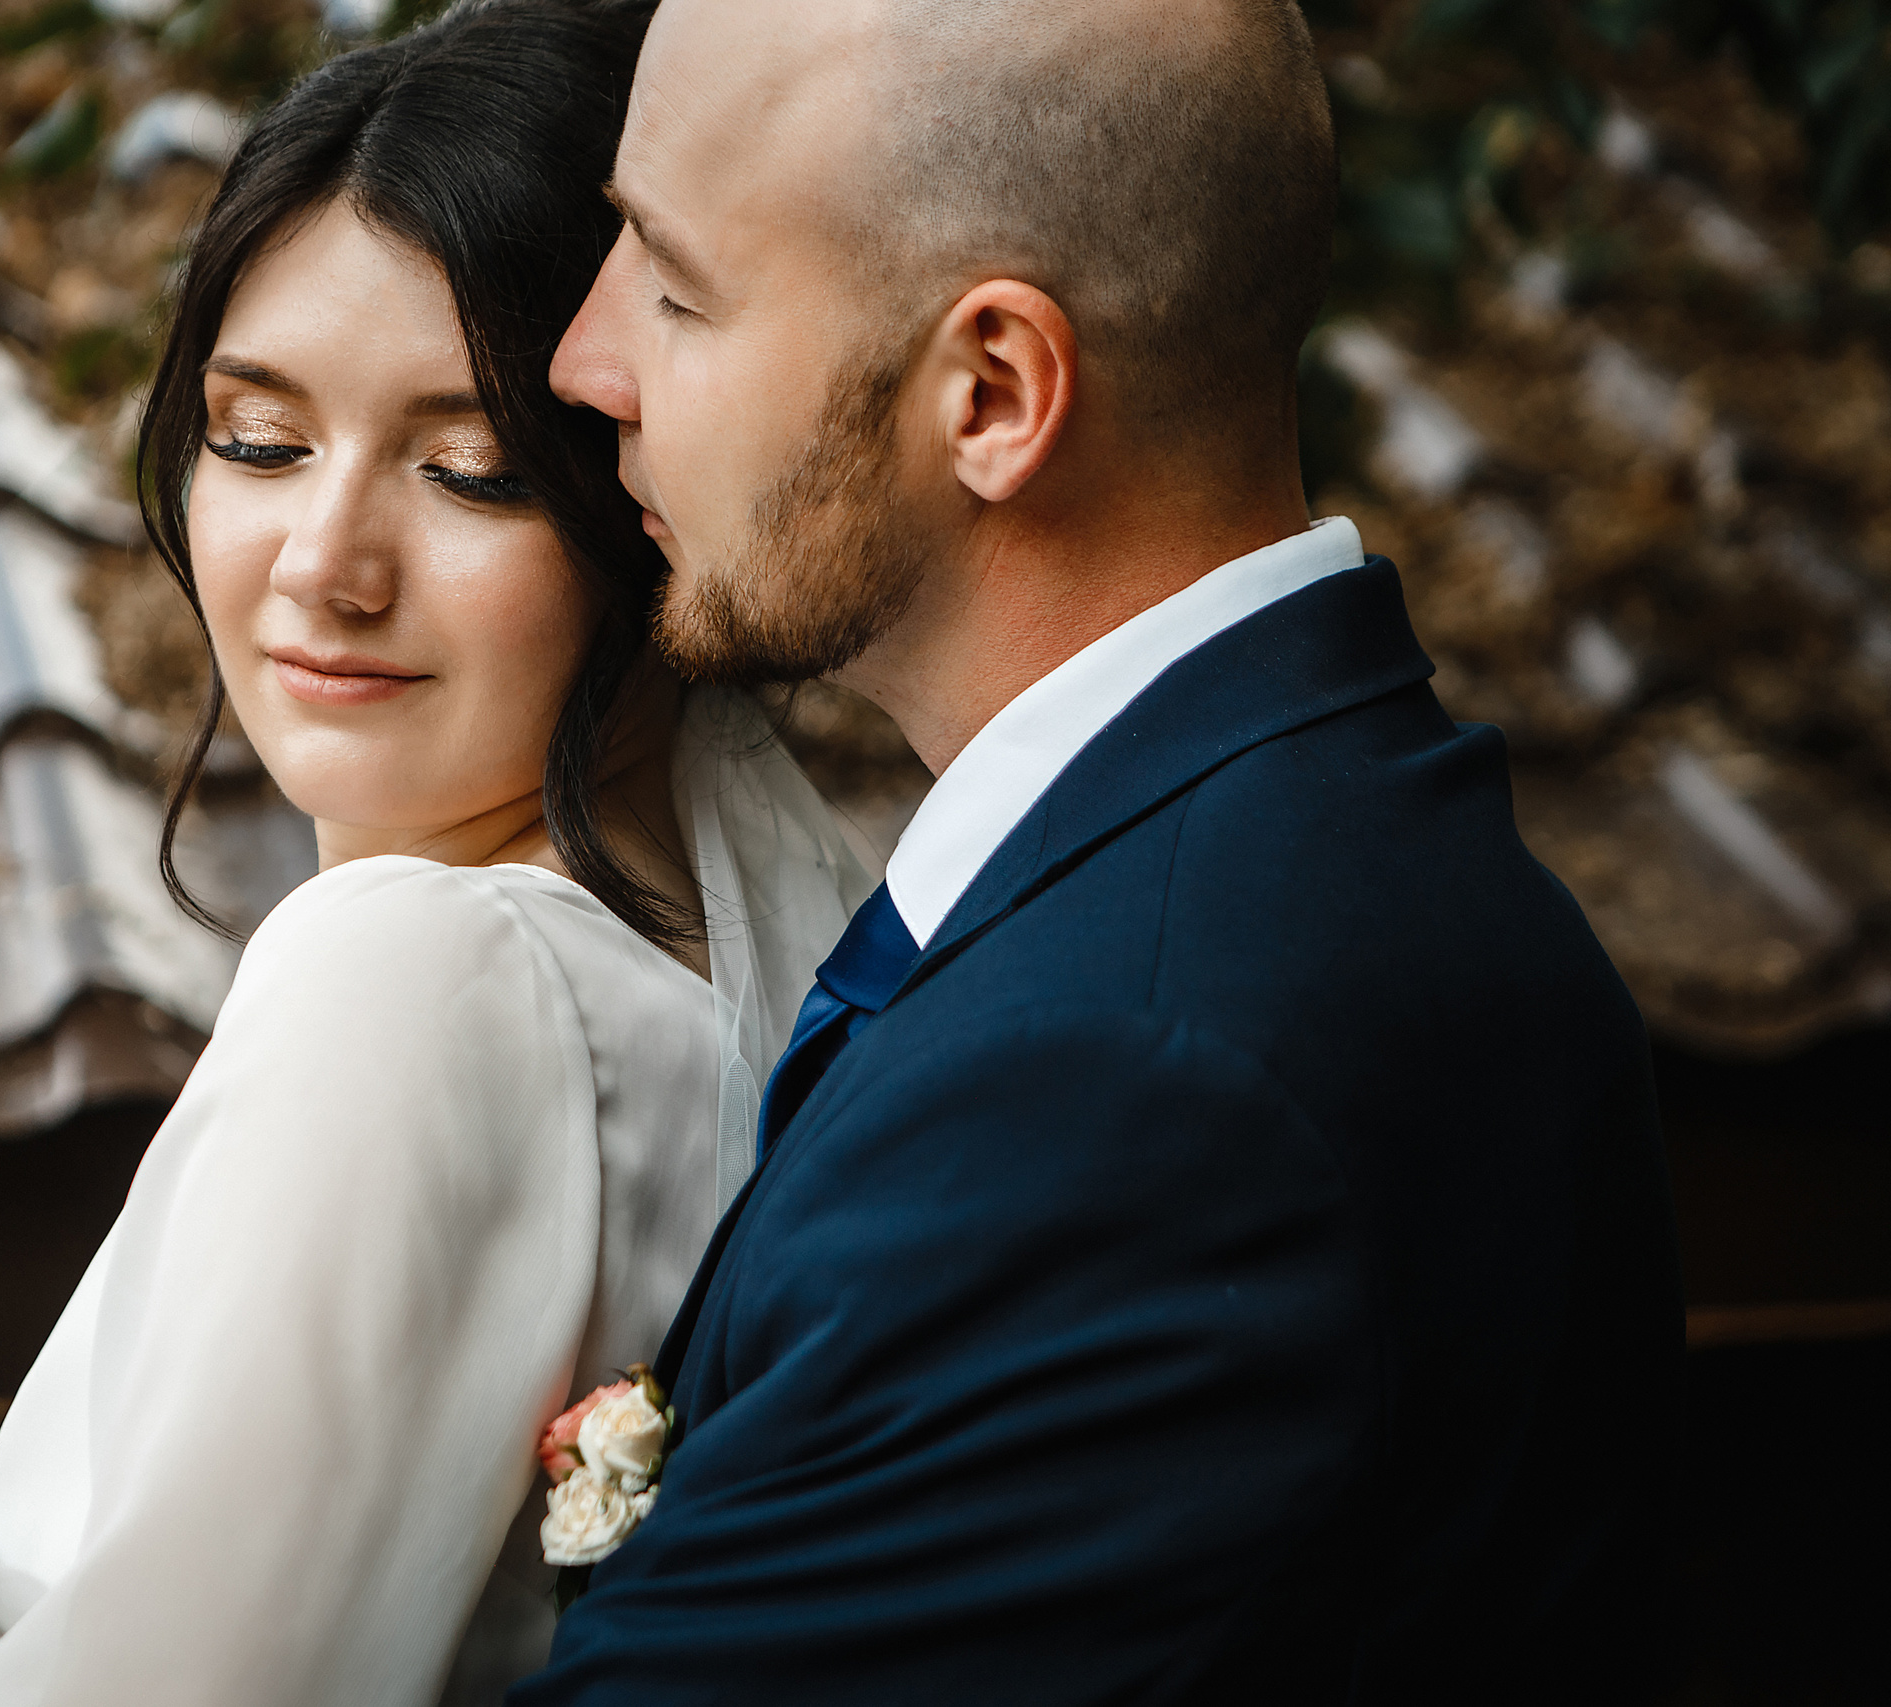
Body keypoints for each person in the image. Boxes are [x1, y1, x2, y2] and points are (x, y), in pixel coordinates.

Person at [518, 0, 1683, 1701]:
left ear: (991, 390)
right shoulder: (1342, 852)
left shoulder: (1128, 1091)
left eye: (680, 288)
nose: (583, 358)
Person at [0, 5, 869, 1704]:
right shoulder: (756, 940)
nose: (323, 561)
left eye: (470, 473)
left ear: (647, 494)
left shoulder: (426, 976)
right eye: (259, 441)